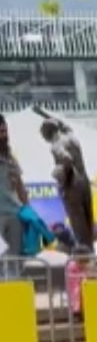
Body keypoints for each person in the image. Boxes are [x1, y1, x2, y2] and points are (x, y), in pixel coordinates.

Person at [41, 118, 95, 249]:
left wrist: (59, 173)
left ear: (48, 134)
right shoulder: (71, 137)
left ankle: (84, 254)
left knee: (78, 222)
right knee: (88, 221)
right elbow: (68, 128)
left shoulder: (56, 145)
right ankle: (90, 250)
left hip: (72, 185)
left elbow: (67, 159)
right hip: (84, 181)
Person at [0, 114, 28, 278]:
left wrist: (28, 210)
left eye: (4, 130)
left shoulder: (11, 158)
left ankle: (14, 293)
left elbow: (20, 186)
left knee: (14, 258)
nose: (3, 133)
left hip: (14, 214)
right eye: (0, 130)